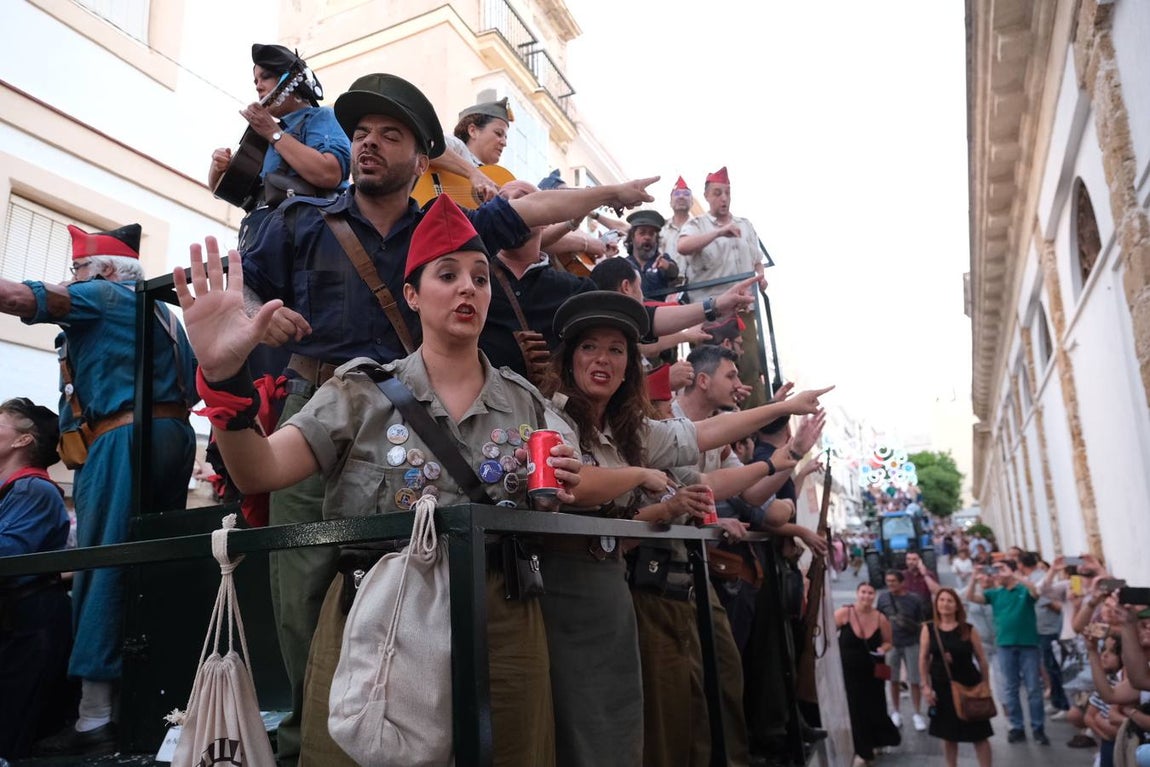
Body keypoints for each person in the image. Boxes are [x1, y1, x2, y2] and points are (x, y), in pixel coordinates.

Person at [239, 72, 658, 764]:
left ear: (422, 153)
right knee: (309, 586)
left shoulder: (447, 233)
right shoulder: (301, 221)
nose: (369, 145)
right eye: (361, 134)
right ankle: (312, 731)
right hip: (321, 410)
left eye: (389, 135)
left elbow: (527, 212)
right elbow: (241, 285)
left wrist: (609, 194)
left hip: (421, 414)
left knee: (461, 589)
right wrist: (263, 317)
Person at [173, 197, 591, 766]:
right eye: (447, 275)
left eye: (480, 278)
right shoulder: (360, 392)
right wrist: (222, 378)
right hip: (375, 617)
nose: (468, 288)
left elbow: (581, 482)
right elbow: (259, 470)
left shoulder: (527, 403)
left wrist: (574, 480)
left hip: (501, 618)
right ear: (412, 294)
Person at [539, 290, 832, 767]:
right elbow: (573, 484)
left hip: (610, 586)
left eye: (616, 350)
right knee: (581, 729)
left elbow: (701, 436)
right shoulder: (550, 415)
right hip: (561, 592)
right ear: (569, 357)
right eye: (589, 346)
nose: (603, 359)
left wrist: (783, 410)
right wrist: (642, 480)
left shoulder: (628, 428)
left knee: (621, 724)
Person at [0, 223, 197, 757]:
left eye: (77, 270)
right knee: (149, 566)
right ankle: (142, 702)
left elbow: (20, 296)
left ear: (106, 271)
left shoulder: (103, 293)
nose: (73, 280)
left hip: (122, 436)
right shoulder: (165, 316)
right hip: (171, 436)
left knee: (101, 561)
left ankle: (93, 718)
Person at [208, 44, 351, 250]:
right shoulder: (262, 133)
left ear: (289, 80)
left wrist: (274, 134)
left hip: (307, 240)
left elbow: (329, 173)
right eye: (256, 80)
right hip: (260, 241)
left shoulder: (319, 117)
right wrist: (218, 168)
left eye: (265, 77)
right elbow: (231, 191)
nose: (258, 86)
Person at [0, 398, 72, 759]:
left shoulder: (32, 489)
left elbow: (7, 552)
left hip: (30, 622)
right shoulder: (20, 489)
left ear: (23, 440)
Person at [676, 167, 768, 405]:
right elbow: (683, 247)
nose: (724, 198)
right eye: (717, 193)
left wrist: (761, 277)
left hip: (742, 311)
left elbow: (757, 261)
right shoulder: (697, 225)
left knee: (748, 368)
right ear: (707, 196)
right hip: (710, 315)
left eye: (727, 193)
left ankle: (752, 431)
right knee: (709, 374)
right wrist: (718, 233)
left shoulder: (745, 225)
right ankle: (713, 432)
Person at [966, 559, 1049, 744]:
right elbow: (971, 597)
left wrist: (1015, 576)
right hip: (1004, 644)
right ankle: (1017, 726)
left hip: (1028, 644)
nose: (996, 573)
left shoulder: (1023, 591)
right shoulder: (995, 594)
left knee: (1033, 688)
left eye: (1000, 569)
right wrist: (973, 577)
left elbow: (1036, 591)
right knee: (1010, 688)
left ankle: (1038, 728)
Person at [918, 587, 994, 767]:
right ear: (936, 605)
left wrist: (986, 685)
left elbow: (981, 659)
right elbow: (923, 658)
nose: (945, 604)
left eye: (950, 601)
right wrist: (925, 686)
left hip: (969, 686)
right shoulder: (929, 629)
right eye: (942, 600)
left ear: (957, 606)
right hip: (942, 687)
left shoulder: (968, 629)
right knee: (948, 734)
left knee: (979, 734)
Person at [835, 582, 901, 767]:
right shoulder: (844, 613)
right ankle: (863, 751)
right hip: (851, 672)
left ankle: (879, 739)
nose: (866, 596)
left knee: (876, 706)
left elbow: (889, 642)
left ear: (874, 596)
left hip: (873, 672)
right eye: (863, 592)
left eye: (870, 593)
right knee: (856, 709)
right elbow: (828, 635)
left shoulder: (880, 618)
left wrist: (883, 648)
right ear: (857, 594)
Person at [878, 569, 930, 731]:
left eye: (893, 581)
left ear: (902, 582)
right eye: (888, 581)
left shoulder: (914, 600)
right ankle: (896, 711)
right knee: (893, 680)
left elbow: (922, 623)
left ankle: (916, 713)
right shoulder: (883, 598)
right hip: (891, 644)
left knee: (915, 680)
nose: (890, 584)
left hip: (912, 643)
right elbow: (879, 619)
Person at [624, 209, 679, 299]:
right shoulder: (624, 264)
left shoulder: (662, 259)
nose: (647, 237)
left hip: (659, 310)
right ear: (632, 237)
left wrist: (667, 266)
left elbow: (674, 272)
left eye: (651, 234)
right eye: (642, 233)